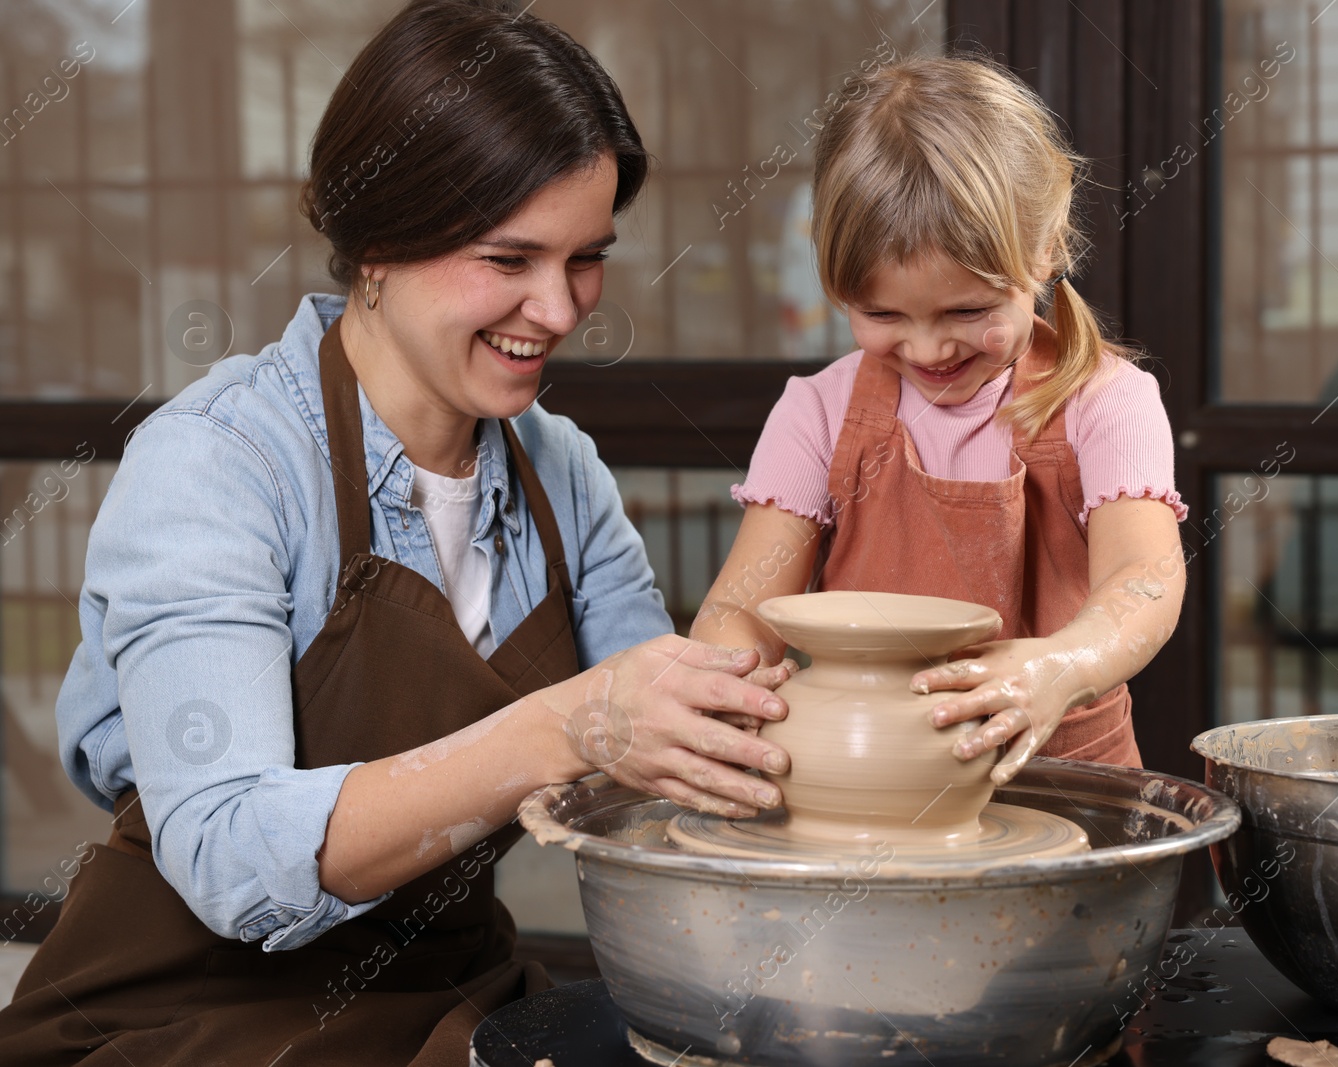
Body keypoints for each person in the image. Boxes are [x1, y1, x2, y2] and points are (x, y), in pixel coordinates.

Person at [0, 3, 793, 1063]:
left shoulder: (560, 472)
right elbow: (230, 856)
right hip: (184, 1011)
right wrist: (567, 725)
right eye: (509, 258)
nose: (558, 309)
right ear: (376, 242)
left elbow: (655, 766)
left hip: (448, 987)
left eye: (586, 258)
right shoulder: (216, 463)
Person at [693, 56, 1187, 783]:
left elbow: (1144, 581)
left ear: (1046, 247)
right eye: (882, 315)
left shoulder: (1107, 402)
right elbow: (738, 611)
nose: (928, 348)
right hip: (870, 782)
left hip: (1069, 786)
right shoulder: (820, 414)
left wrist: (1064, 662)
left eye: (968, 311)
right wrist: (734, 686)